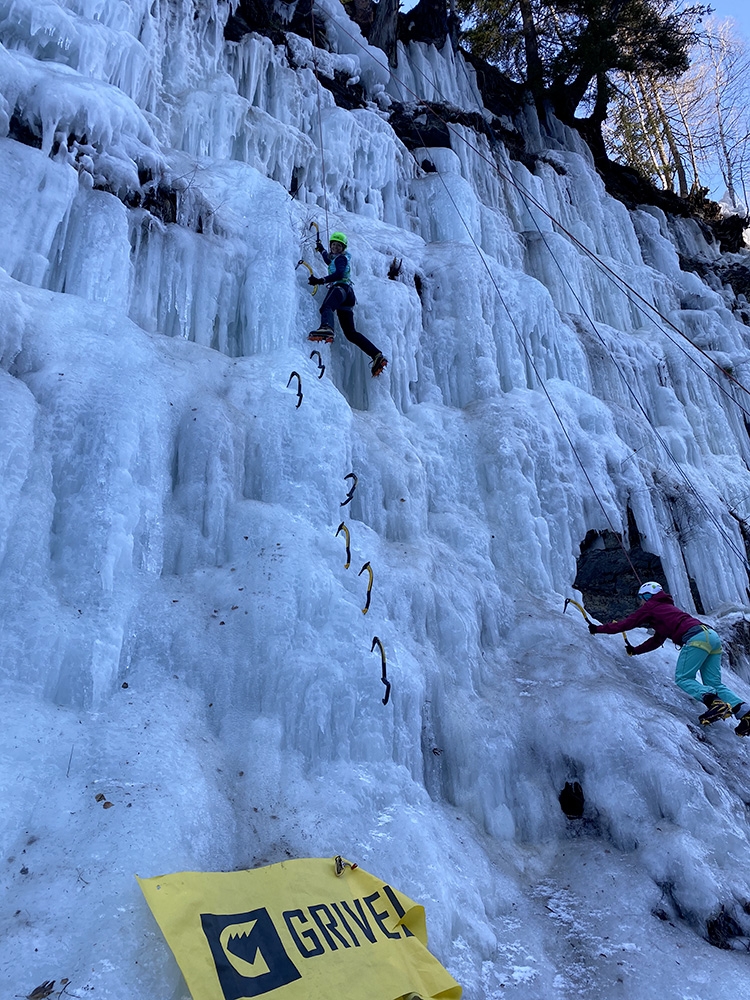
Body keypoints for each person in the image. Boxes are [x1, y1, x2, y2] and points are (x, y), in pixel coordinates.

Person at [588, 581, 750, 735]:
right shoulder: (666, 610)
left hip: (696, 638)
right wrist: (635, 650)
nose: (640, 603)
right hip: (711, 637)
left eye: (641, 599)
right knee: (714, 683)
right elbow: (657, 640)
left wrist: (598, 628)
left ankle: (714, 702)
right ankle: (746, 713)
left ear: (646, 596)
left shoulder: (651, 606)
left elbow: (626, 624)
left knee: (683, 678)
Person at [307, 231, 388, 377]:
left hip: (341, 289)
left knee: (326, 307)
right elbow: (329, 260)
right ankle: (376, 355)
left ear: (343, 248)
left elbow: (338, 274)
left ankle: (327, 328)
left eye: (339, 246)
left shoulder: (341, 259)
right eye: (334, 245)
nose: (336, 248)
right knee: (351, 333)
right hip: (348, 295)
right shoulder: (336, 258)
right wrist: (321, 250)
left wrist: (320, 280)